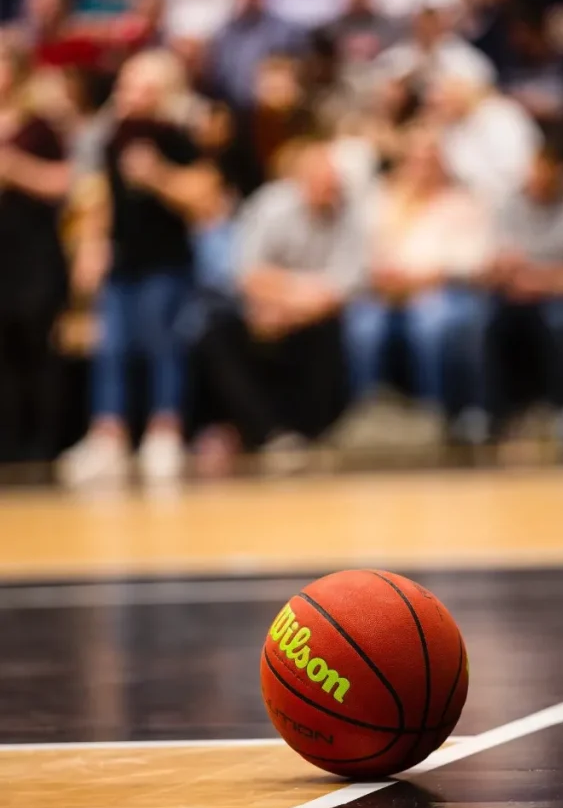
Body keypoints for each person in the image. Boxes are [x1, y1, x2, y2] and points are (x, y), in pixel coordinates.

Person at [59, 49, 218, 486]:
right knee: (110, 351)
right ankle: (108, 436)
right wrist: (91, 248)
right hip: (121, 264)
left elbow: (208, 199)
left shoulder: (177, 137)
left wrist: (159, 176)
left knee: (164, 347)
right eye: (126, 85)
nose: (130, 95)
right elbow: (97, 199)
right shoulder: (109, 138)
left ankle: (164, 434)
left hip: (167, 264)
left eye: (141, 86)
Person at [195, 140, 364, 474]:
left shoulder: (351, 214)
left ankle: (315, 432)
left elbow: (341, 288)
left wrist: (289, 306)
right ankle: (269, 434)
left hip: (312, 316)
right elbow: (246, 274)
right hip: (262, 311)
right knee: (215, 334)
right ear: (300, 180)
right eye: (323, 183)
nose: (330, 191)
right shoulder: (269, 206)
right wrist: (282, 300)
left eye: (334, 184)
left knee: (333, 333)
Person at [343, 124, 494, 445]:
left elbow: (473, 260)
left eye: (429, 159)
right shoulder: (383, 199)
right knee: (362, 326)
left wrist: (425, 278)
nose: (421, 167)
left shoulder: (462, 201)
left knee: (430, 325)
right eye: (415, 159)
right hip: (388, 293)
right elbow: (363, 252)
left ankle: (435, 413)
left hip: (444, 290)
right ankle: (367, 413)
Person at [491, 137, 563, 446]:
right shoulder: (510, 203)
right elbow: (502, 265)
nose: (535, 184)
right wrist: (518, 278)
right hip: (519, 296)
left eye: (543, 175)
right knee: (482, 320)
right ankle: (494, 413)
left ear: (560, 173)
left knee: (561, 319)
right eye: (531, 175)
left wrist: (541, 281)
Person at [0, 41, 71, 465]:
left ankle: (41, 448)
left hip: (34, 254)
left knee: (36, 347)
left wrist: (13, 167)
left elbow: (63, 183)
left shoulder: (39, 127)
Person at [431, 56, 540, 208]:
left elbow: (518, 175)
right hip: (467, 208)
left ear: (465, 89)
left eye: (444, 92)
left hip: (509, 207)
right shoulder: (451, 128)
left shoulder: (503, 117)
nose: (437, 99)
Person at [206, 0, 306, 108]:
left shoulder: (285, 31)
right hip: (231, 106)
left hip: (273, 109)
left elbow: (296, 71)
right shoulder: (225, 33)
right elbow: (218, 75)